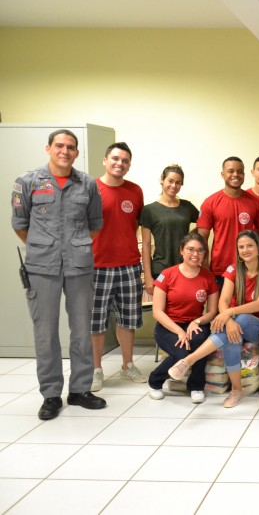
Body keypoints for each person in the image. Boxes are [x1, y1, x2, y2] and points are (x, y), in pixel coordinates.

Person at [11, 129, 106, 420]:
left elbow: (94, 225)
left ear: (77, 152)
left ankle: (80, 390)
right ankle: (51, 394)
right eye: (60, 146)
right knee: (45, 332)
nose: (65, 151)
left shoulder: (87, 184)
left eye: (71, 147)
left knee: (81, 329)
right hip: (42, 267)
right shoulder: (27, 182)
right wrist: (46, 247)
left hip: (78, 266)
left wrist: (72, 246)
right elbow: (20, 224)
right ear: (49, 148)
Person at [166, 230, 259, 408]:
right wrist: (228, 320)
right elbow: (223, 301)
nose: (245, 249)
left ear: (258, 247)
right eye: (241, 247)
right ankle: (237, 390)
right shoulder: (233, 270)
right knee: (230, 338)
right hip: (234, 323)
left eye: (250, 245)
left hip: (258, 327)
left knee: (240, 319)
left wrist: (229, 313)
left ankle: (190, 360)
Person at [90, 142, 146, 391]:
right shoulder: (91, 188)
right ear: (105, 160)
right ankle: (95, 369)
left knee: (128, 319)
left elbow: (133, 225)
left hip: (128, 265)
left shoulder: (135, 191)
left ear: (129, 165)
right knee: (96, 321)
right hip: (97, 265)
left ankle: (127, 366)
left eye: (124, 160)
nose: (119, 163)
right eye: (115, 158)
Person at [148, 233, 219, 404]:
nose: (195, 254)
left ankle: (196, 387)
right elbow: (157, 312)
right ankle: (155, 382)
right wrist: (179, 331)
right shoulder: (167, 275)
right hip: (169, 325)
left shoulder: (208, 277)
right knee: (182, 352)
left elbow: (212, 312)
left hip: (195, 324)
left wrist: (197, 322)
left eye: (200, 250)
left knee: (200, 343)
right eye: (191, 249)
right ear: (181, 251)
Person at [197, 157, 259, 284]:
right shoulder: (210, 202)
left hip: (249, 268)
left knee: (249, 304)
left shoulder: (255, 203)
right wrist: (204, 265)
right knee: (221, 304)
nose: (235, 175)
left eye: (239, 171)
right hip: (219, 269)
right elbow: (202, 237)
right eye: (231, 171)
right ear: (223, 174)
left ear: (244, 174)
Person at [141, 164, 199, 297]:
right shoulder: (149, 210)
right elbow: (145, 245)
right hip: (161, 268)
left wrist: (190, 236)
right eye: (170, 181)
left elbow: (205, 224)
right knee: (162, 311)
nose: (174, 186)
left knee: (184, 307)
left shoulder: (187, 206)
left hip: (185, 266)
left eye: (178, 183)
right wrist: (148, 277)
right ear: (162, 180)